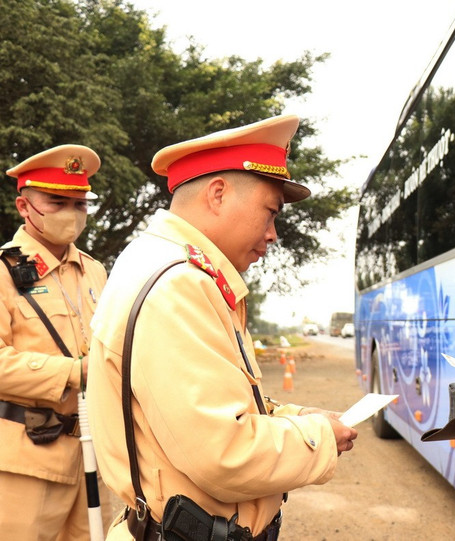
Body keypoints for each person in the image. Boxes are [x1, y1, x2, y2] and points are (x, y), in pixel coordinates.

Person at [86, 115, 357, 541]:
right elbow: (223, 453)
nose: (273, 235)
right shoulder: (177, 284)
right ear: (217, 193)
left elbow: (219, 405)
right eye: (270, 213)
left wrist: (294, 416)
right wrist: (320, 436)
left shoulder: (165, 266)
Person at [0, 144, 108, 539]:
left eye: (80, 204)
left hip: (92, 454)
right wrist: (73, 372)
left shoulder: (95, 272)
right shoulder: (4, 272)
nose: (71, 214)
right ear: (25, 207)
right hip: (24, 462)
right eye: (57, 201)